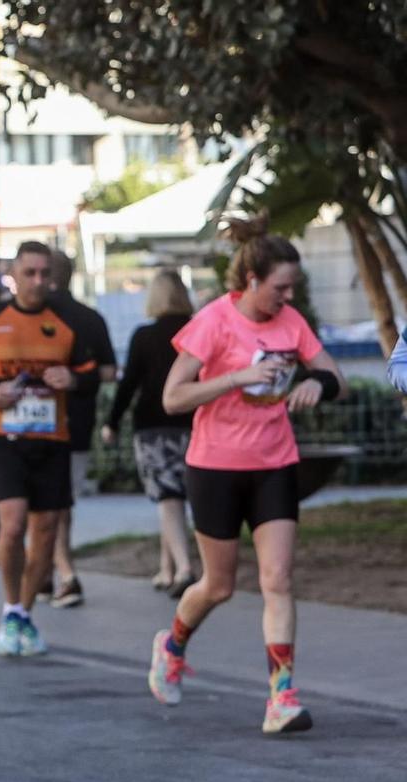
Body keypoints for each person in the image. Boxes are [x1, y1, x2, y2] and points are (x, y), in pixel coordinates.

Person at [149, 220, 342, 733]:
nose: (288, 294)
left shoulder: (290, 322)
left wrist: (317, 385)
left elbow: (333, 374)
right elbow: (172, 397)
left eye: (292, 287)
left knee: (278, 579)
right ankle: (171, 646)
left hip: (274, 463)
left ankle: (282, 696)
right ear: (251, 279)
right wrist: (234, 378)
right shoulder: (214, 322)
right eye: (280, 286)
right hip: (214, 467)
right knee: (218, 585)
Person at [0, 241, 98, 657]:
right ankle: (11, 605)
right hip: (1, 436)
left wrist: (75, 380)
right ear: (14, 274)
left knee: (46, 531)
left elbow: (92, 375)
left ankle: (23, 616)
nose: (38, 281)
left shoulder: (65, 320)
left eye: (45, 273)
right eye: (30, 273)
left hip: (52, 439)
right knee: (12, 525)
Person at [102, 271, 197, 596]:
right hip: (194, 421)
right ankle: (166, 568)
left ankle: (184, 568)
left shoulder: (145, 335)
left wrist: (111, 422)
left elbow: (129, 385)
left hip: (153, 426)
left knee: (168, 498)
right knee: (177, 496)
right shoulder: (198, 330)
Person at [45, 250, 118, 608]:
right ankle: (48, 571)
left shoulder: (34, 316)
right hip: (78, 421)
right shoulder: (90, 318)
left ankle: (62, 573)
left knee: (48, 502)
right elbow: (109, 371)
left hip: (33, 425)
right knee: (59, 500)